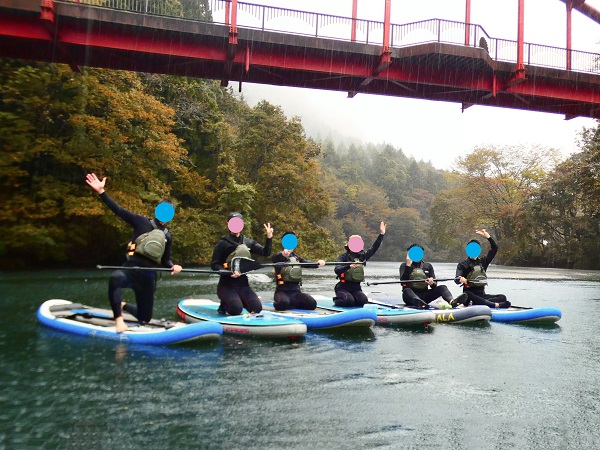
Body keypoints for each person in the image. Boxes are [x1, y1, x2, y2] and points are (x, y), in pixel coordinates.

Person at [85, 173, 182, 333]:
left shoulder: (168, 236)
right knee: (116, 279)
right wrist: (102, 192)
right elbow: (118, 210)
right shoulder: (141, 221)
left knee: (145, 318)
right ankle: (119, 320)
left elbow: (165, 261)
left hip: (148, 277)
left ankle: (122, 305)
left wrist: (173, 266)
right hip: (131, 269)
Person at [210, 212, 273, 315]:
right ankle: (224, 305)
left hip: (243, 285)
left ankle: (239, 301)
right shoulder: (222, 244)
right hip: (226, 286)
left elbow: (265, 252)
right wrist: (229, 272)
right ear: (228, 224)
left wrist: (269, 237)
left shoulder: (247, 242)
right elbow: (214, 265)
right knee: (236, 309)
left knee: (257, 309)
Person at [333, 222, 386, 307]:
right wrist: (348, 266)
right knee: (349, 301)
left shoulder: (362, 257)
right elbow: (337, 270)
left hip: (356, 288)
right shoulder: (343, 257)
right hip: (343, 287)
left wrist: (381, 234)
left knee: (363, 301)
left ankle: (353, 299)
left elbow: (374, 248)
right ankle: (336, 300)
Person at [455, 229, 511, 308]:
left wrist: (488, 237)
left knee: (502, 297)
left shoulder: (483, 262)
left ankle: (482, 303)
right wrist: (460, 278)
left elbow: (495, 248)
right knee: (468, 294)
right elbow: (456, 279)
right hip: (469, 298)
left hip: (481, 296)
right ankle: (495, 305)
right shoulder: (462, 265)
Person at [399, 244, 468, 309]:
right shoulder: (404, 266)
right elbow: (403, 282)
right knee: (406, 290)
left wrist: (432, 283)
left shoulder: (428, 266)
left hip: (424, 295)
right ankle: (418, 302)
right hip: (410, 296)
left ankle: (452, 301)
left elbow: (434, 286)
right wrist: (408, 265)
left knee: (442, 287)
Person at [271, 232, 325, 311]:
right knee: (283, 303)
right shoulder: (279, 257)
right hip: (282, 291)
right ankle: (280, 303)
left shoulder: (296, 258)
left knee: (312, 304)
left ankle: (292, 303)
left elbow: (306, 263)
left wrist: (317, 264)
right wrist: (283, 254)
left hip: (296, 292)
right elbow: (274, 258)